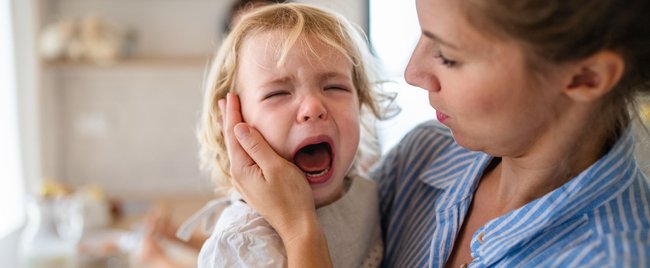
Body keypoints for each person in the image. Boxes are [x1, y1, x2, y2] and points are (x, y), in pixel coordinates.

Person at [221, 0, 650, 267]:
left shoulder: (612, 257)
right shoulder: (424, 153)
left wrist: (300, 230)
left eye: (448, 55)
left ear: (586, 76)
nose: (412, 72)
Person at [196, 3, 391, 267]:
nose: (313, 108)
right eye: (278, 93)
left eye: (335, 87)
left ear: (361, 103)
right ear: (233, 122)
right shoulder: (243, 242)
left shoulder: (369, 193)